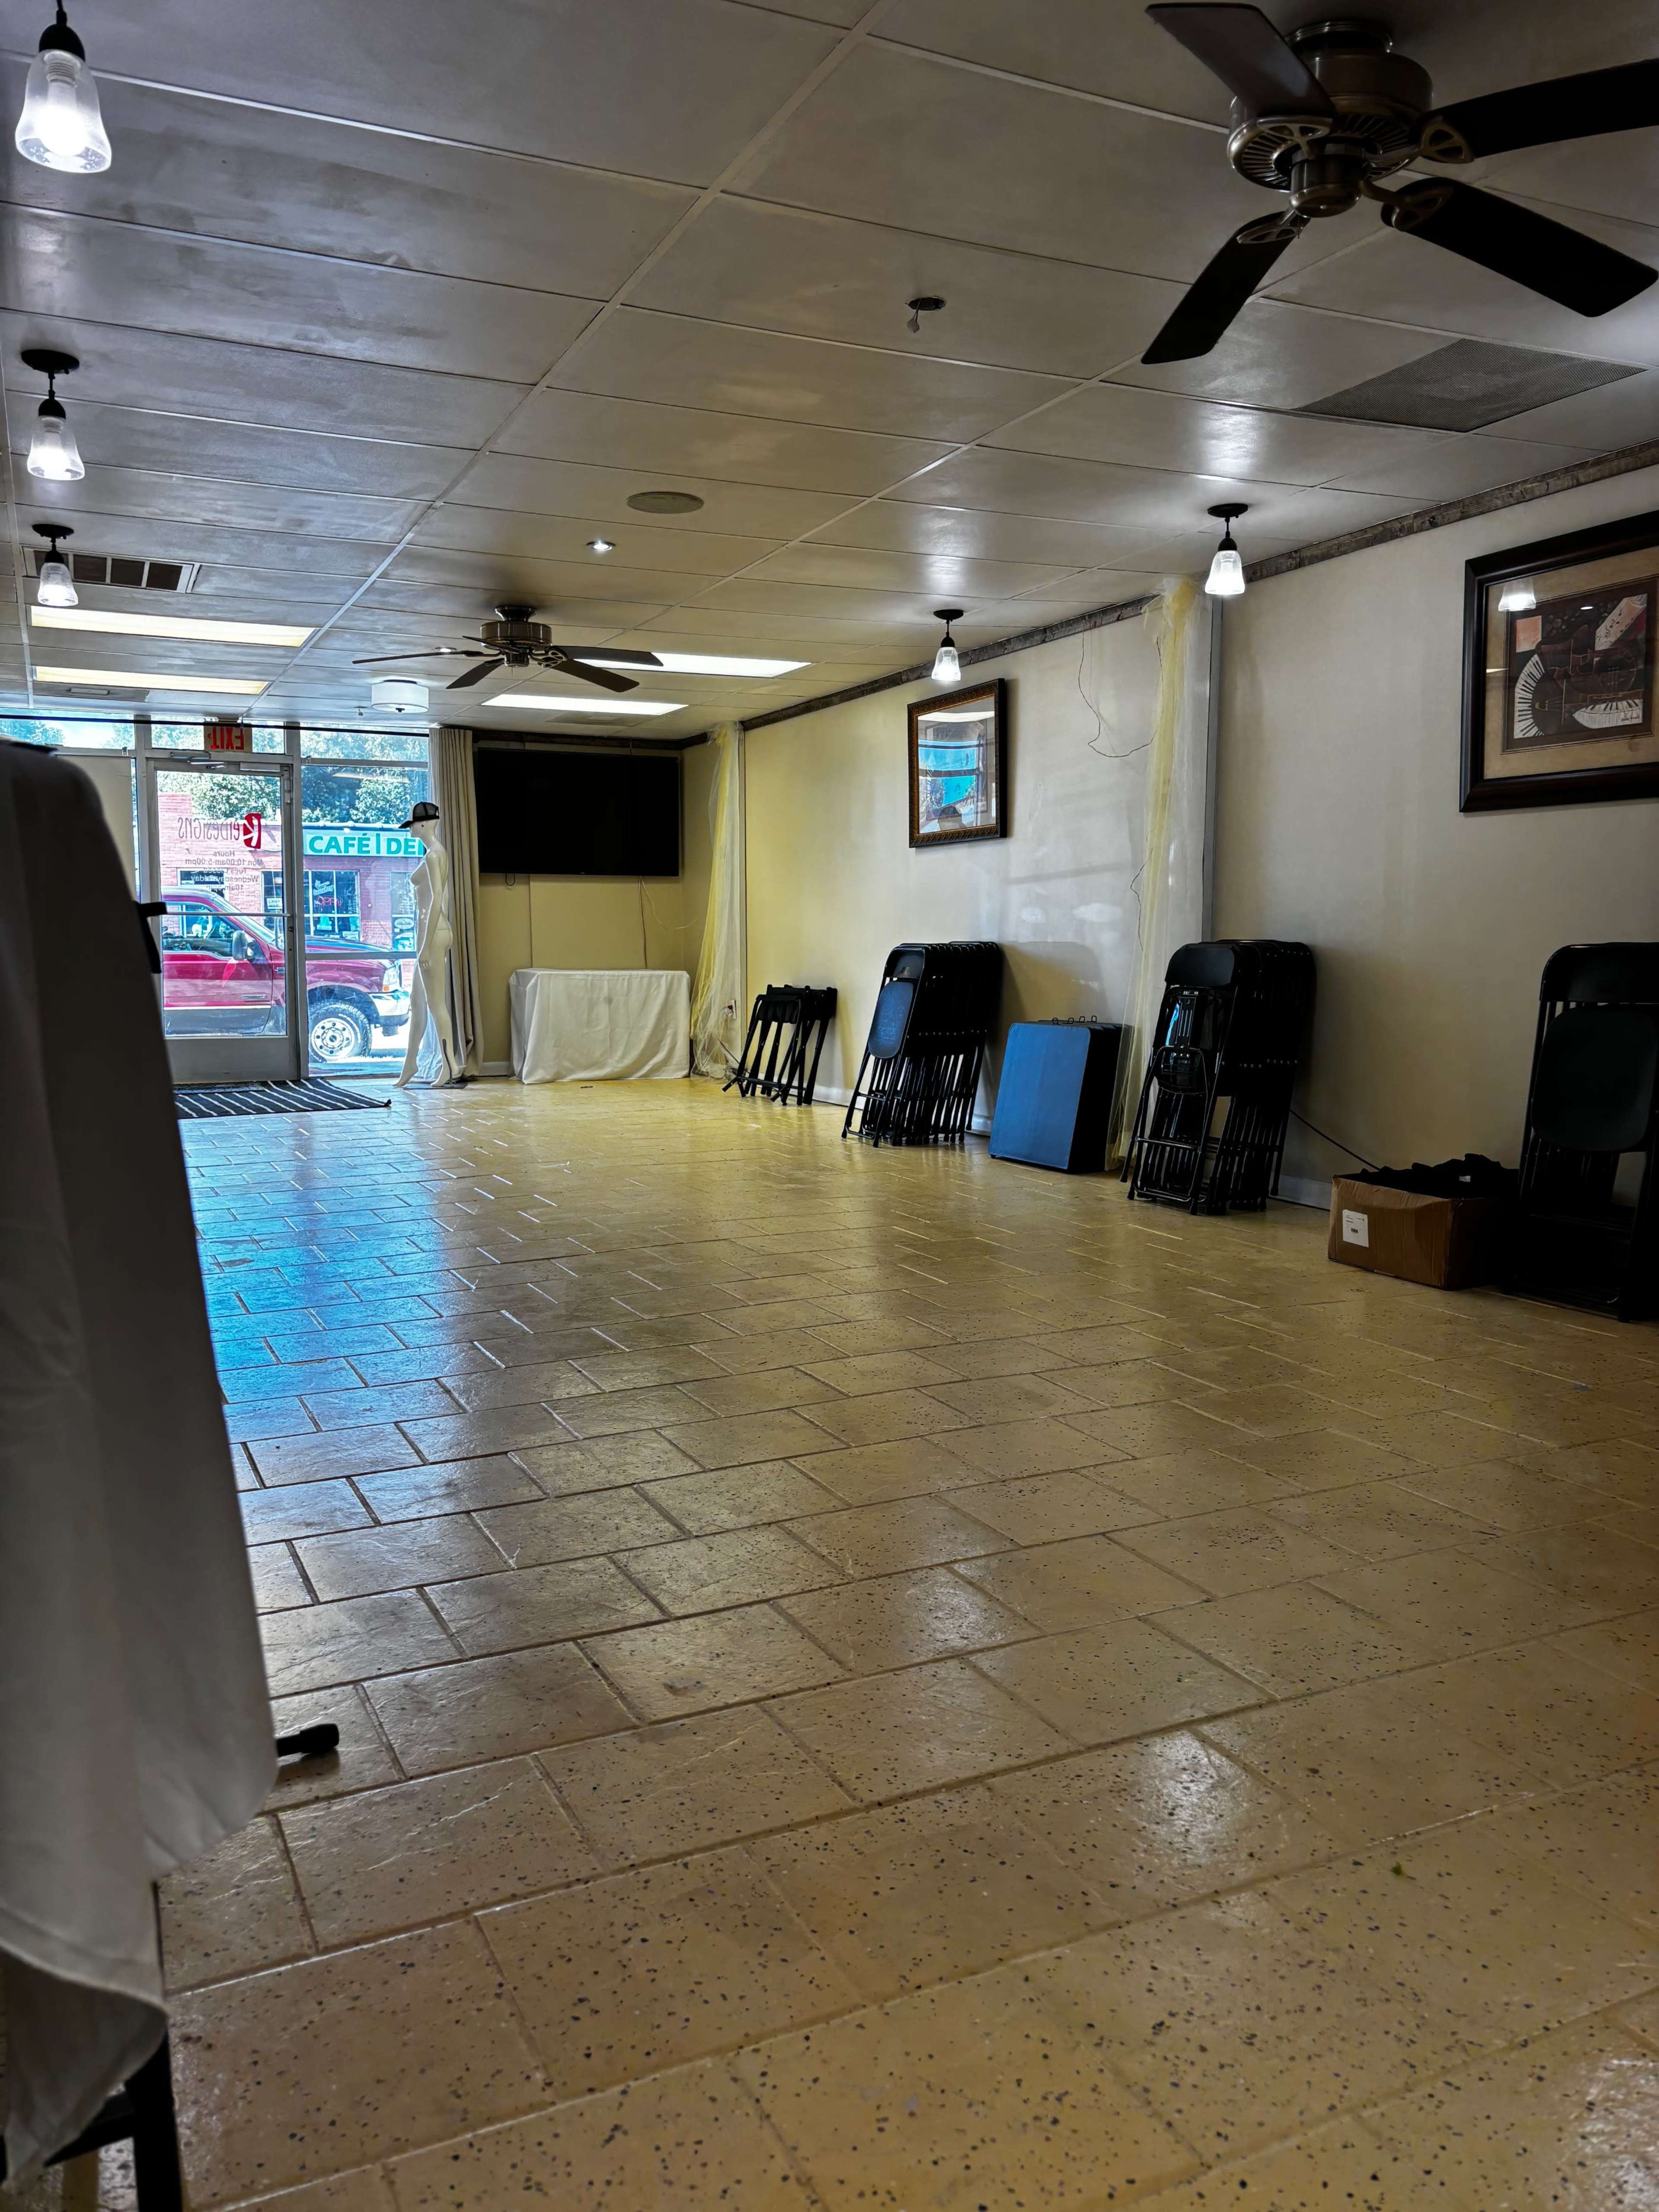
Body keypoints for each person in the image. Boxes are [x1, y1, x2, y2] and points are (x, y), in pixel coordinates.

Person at [396, 799, 461, 1086]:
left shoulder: (435, 855)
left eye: (412, 825)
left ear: (424, 824)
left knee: (436, 1004)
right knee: (417, 1002)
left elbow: (437, 898)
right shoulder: (434, 854)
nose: (410, 829)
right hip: (430, 933)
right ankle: (410, 1065)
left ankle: (450, 1066)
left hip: (432, 934)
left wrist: (424, 945)